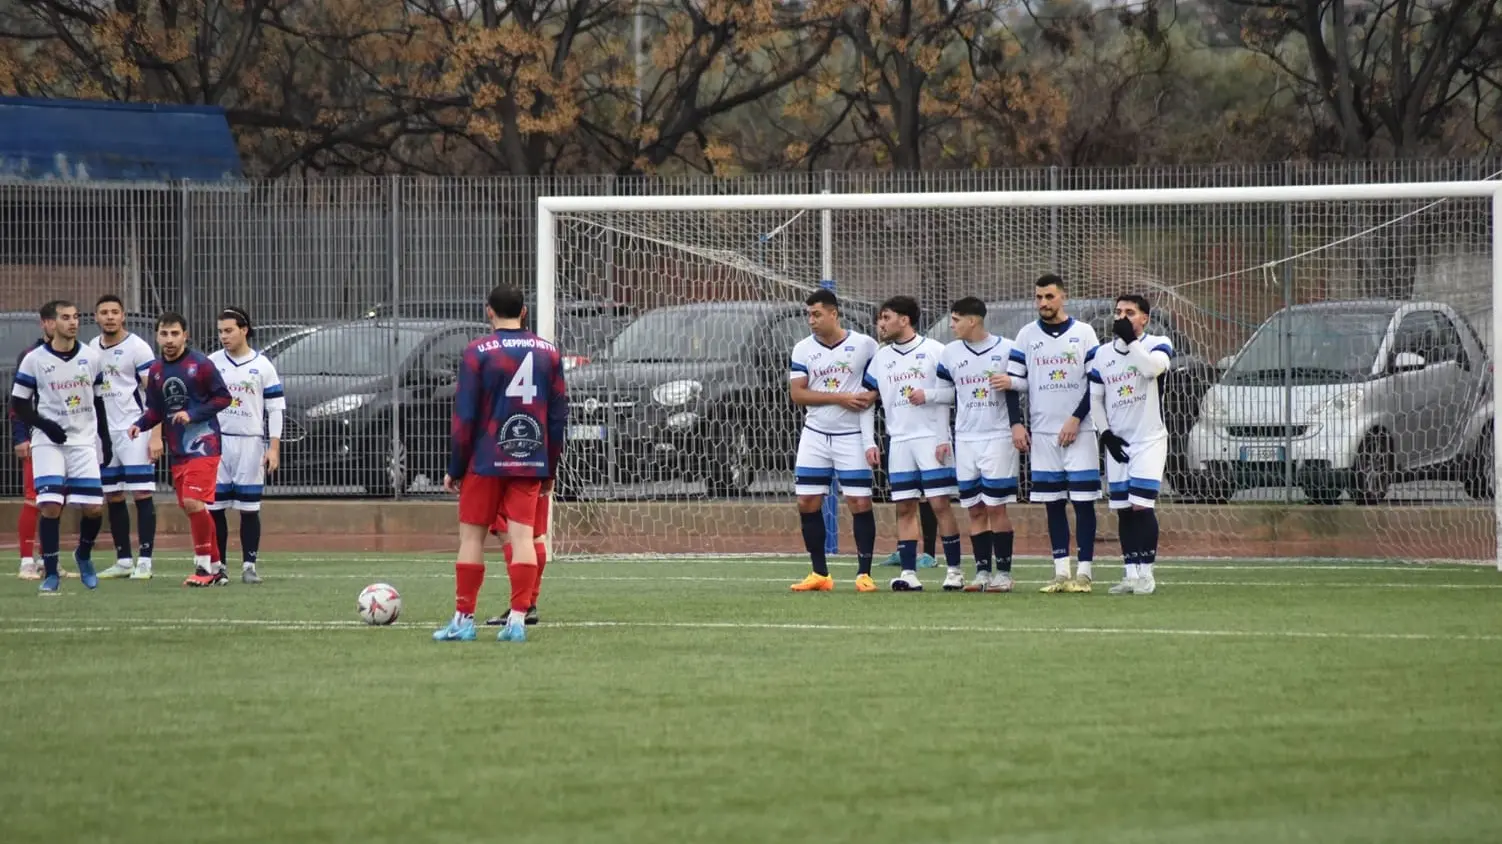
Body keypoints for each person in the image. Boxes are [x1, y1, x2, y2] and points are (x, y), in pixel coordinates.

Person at [434, 285, 568, 644]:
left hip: (486, 458)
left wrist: (456, 465)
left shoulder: (478, 352)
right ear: (525, 312)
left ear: (488, 311)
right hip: (530, 457)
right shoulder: (548, 353)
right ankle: (518, 621)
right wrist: (549, 467)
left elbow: (464, 415)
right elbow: (558, 417)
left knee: (472, 537)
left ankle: (463, 620)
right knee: (524, 535)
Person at [9, 299, 112, 593]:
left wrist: (105, 439)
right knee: (51, 506)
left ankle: (83, 554)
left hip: (83, 441)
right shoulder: (34, 359)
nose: (73, 322)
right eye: (66, 317)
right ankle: (51, 572)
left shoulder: (91, 358)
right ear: (52, 323)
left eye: (76, 317)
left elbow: (100, 402)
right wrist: (45, 426)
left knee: (93, 508)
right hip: (47, 443)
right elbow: (18, 403)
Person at [1008, 274, 1101, 594]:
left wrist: (1076, 419)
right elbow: (1011, 383)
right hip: (1043, 434)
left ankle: (1085, 573)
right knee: (1052, 503)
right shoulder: (1026, 335)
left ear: (1063, 297)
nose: (1043, 303)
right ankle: (1061, 572)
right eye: (1039, 297)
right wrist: (1016, 423)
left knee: (1084, 502)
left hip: (1081, 431)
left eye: (1049, 297)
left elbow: (1097, 384)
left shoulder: (1085, 333)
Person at [128, 312, 233, 587]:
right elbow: (156, 409)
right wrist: (140, 424)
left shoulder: (200, 364)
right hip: (178, 450)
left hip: (204, 445)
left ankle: (202, 569)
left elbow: (224, 397)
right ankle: (218, 567)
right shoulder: (157, 371)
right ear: (157, 337)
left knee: (194, 503)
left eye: (175, 334)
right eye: (164, 334)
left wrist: (194, 414)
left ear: (185, 335)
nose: (170, 339)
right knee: (193, 509)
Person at [786, 289, 881, 592]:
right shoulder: (802, 349)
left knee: (859, 502)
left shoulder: (865, 345)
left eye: (816, 314)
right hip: (814, 435)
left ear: (833, 314)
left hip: (851, 436)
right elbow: (798, 394)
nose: (811, 320)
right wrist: (841, 397)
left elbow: (876, 387)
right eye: (808, 315)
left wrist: (869, 397)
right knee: (807, 501)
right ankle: (819, 574)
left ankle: (864, 574)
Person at [868, 295, 964, 591]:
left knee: (939, 505)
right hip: (899, 441)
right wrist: (868, 440)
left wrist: (930, 400)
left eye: (886, 318)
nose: (880, 324)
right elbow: (867, 401)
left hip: (931, 439)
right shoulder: (881, 358)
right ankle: (908, 573)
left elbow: (955, 394)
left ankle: (954, 572)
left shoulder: (936, 351)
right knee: (905, 507)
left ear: (904, 320)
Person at [939, 297, 1027, 593]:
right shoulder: (950, 354)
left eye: (955, 320)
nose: (952, 326)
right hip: (965, 439)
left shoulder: (1008, 348)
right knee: (974, 508)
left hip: (998, 436)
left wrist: (1016, 423)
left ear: (972, 320)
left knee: (996, 506)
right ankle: (982, 573)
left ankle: (1003, 573)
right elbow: (943, 396)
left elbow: (1021, 385)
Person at [1088, 293, 1173, 595]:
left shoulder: (1157, 344)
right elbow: (1096, 398)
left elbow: (1151, 369)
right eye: (1118, 312)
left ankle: (1147, 575)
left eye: (1130, 312)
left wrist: (1132, 342)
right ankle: (1130, 573)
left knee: (1141, 506)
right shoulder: (1102, 354)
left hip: (1149, 439)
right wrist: (1105, 434)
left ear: (1144, 318)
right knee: (1123, 509)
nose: (1122, 317)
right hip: (1119, 442)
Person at [207, 307, 286, 584]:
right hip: (217, 444)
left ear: (244, 330)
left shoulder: (262, 365)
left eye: (229, 330)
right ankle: (219, 568)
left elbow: (275, 409)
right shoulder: (212, 363)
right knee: (214, 508)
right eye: (220, 332)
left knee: (249, 508)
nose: (223, 336)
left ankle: (249, 566)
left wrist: (273, 447)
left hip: (250, 444)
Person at [90, 294, 163, 581]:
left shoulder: (138, 348)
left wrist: (156, 435)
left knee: (142, 493)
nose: (109, 317)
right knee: (113, 495)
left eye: (115, 312)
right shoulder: (90, 350)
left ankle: (144, 560)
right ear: (96, 317)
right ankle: (122, 560)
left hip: (136, 430)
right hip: (104, 435)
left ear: (123, 316)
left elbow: (154, 395)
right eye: (104, 312)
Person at [13, 301, 75, 581]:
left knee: (55, 501)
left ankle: (49, 560)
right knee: (32, 500)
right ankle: (27, 561)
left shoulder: (75, 356)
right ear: (45, 324)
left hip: (69, 441)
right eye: (55, 320)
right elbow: (19, 403)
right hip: (39, 440)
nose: (61, 324)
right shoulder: (31, 356)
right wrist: (21, 437)